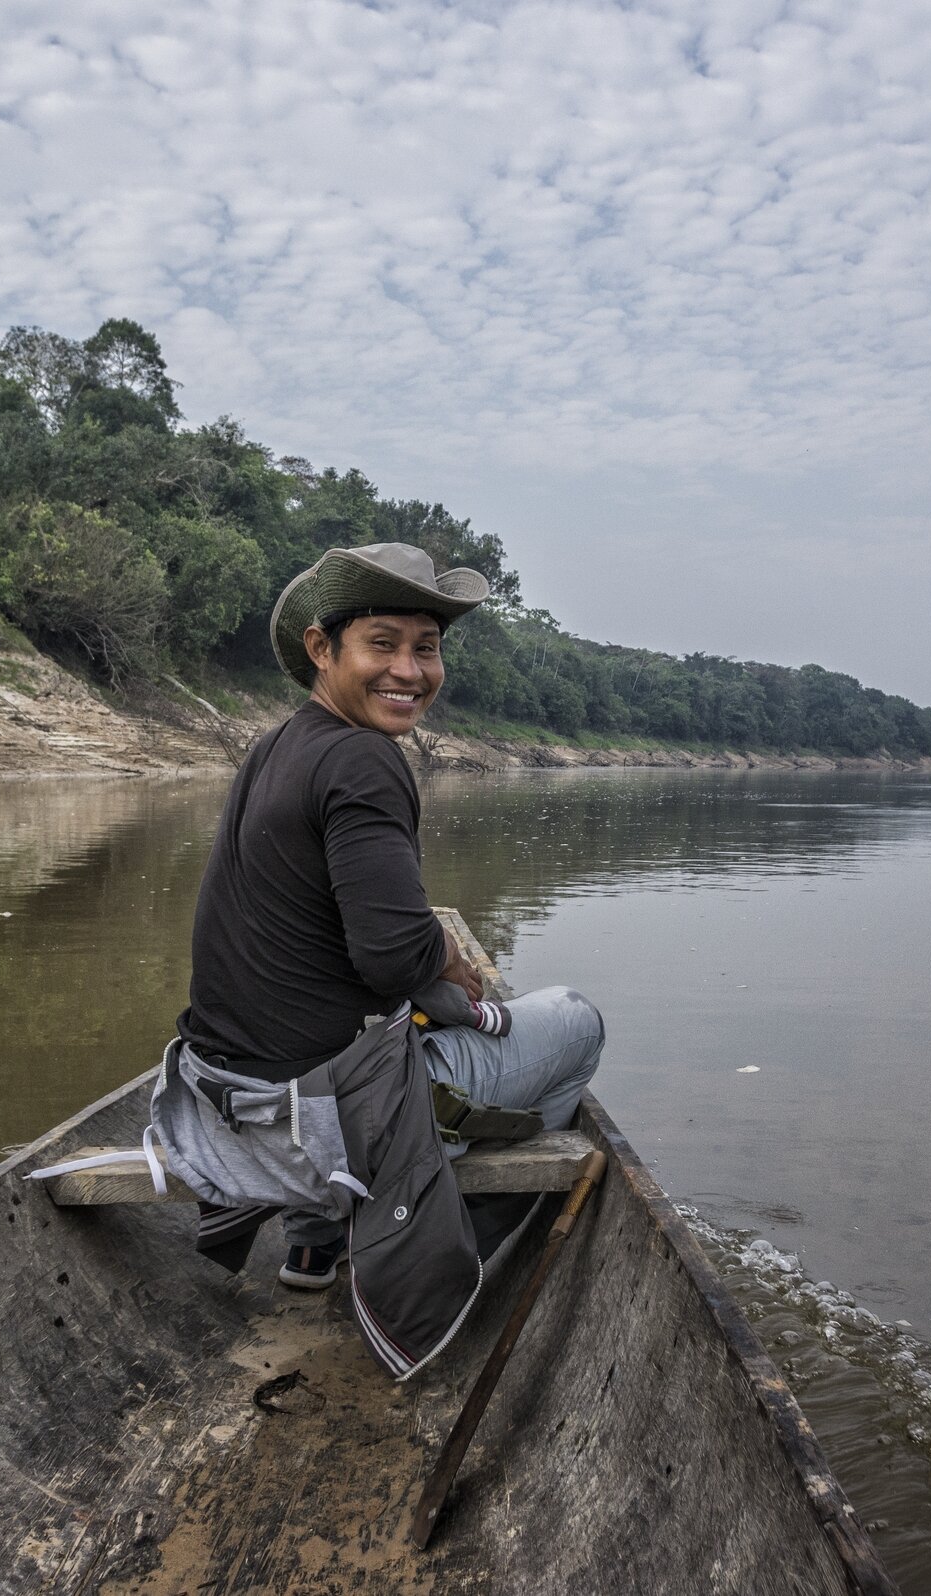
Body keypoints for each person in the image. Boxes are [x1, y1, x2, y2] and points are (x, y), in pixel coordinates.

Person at [176, 541, 606, 1293]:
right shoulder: (365, 759)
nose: (409, 671)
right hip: (319, 1117)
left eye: (427, 648)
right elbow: (390, 957)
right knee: (576, 1021)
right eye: (383, 644)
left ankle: (313, 1246)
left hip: (224, 1098)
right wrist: (442, 951)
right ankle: (450, 1253)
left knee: (352, 1024)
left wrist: (426, 947)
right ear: (321, 648)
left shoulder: (274, 746)